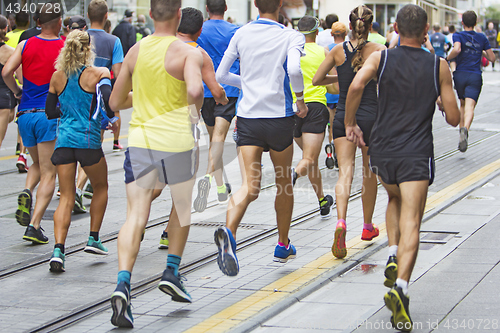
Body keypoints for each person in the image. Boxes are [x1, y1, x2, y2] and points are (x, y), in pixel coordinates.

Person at [344, 5, 460, 331]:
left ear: (395, 27)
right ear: (426, 32)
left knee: (393, 200)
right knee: (413, 219)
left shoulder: (381, 58)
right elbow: (453, 118)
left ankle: (393, 253)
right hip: (415, 153)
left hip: (382, 150)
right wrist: (441, 100)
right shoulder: (437, 66)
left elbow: (354, 87)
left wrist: (350, 123)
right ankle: (401, 289)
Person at [109, 0, 204, 327]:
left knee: (136, 214)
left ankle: (123, 283)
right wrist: (194, 114)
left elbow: (114, 102)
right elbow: (195, 88)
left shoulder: (135, 51)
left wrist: (142, 98)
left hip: (141, 144)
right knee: (181, 207)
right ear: (179, 15)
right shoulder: (187, 52)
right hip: (177, 142)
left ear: (150, 15)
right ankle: (172, 271)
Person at [215, 0, 307, 275]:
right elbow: (293, 70)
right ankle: (282, 244)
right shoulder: (291, 35)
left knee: (249, 186)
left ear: (254, 4)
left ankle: (229, 233)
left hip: (248, 120)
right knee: (283, 183)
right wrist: (300, 101)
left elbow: (221, 74)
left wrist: (248, 84)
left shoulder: (241, 33)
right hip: (278, 119)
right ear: (280, 4)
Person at [313, 5, 384, 259]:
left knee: (345, 172)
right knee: (369, 171)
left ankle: (341, 222)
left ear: (350, 24)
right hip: (371, 117)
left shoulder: (337, 51)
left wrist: (340, 80)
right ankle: (367, 227)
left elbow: (316, 80)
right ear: (371, 25)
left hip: (343, 117)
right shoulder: (379, 51)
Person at [156, 6, 229, 250]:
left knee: (155, 184)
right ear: (199, 31)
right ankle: (168, 232)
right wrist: (222, 98)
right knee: (181, 185)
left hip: (154, 123)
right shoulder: (198, 54)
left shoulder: (158, 46)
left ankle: (138, 222)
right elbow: (215, 89)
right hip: (183, 127)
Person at [46, 30, 117, 272]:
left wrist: (68, 113)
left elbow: (50, 112)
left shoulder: (57, 77)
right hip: (88, 142)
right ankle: (93, 238)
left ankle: (58, 251)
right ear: (89, 50)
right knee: (101, 186)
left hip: (64, 142)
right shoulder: (98, 74)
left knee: (65, 197)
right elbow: (110, 103)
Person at [2, 2, 64, 244]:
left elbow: (7, 71)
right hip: (49, 115)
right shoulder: (63, 46)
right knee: (50, 173)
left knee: (36, 163)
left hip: (25, 114)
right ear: (59, 22)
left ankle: (27, 191)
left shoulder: (26, 44)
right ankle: (35, 224)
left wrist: (18, 91)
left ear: (38, 22)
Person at [74, 0, 125, 206]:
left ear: (87, 15)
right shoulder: (114, 41)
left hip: (75, 97)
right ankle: (77, 189)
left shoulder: (79, 38)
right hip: (98, 99)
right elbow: (119, 74)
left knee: (78, 141)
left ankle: (78, 185)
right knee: (93, 144)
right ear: (106, 17)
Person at [194, 0, 239, 212]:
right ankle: (207, 178)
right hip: (227, 91)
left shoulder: (199, 30)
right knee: (218, 140)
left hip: (205, 91)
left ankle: (221, 187)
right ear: (226, 9)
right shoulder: (235, 30)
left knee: (214, 141)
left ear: (206, 9)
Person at [292, 16, 334, 219]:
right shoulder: (323, 52)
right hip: (315, 108)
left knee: (311, 159)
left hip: (293, 109)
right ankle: (293, 175)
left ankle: (322, 200)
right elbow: (333, 87)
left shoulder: (291, 52)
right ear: (317, 32)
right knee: (308, 159)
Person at [447, 11, 495, 153]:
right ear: (476, 23)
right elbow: (492, 58)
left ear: (462, 23)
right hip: (474, 75)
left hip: (460, 74)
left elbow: (457, 49)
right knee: (470, 106)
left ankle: (461, 134)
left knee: (462, 104)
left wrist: (448, 57)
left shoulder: (458, 35)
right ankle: (465, 129)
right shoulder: (482, 37)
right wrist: (482, 50)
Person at [6, 12, 29, 171]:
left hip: (8, 78)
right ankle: (19, 146)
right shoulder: (28, 37)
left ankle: (19, 146)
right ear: (28, 22)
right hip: (20, 78)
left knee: (14, 114)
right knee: (18, 112)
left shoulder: (7, 35)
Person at [324, 21, 346, 170]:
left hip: (331, 93)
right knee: (344, 124)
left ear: (331, 34)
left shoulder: (327, 50)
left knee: (331, 124)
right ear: (346, 34)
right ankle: (341, 153)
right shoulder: (349, 49)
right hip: (346, 93)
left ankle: (332, 149)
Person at [0, 15, 21, 149]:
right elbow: (21, 76)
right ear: (6, 29)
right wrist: (18, 91)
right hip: (3, 98)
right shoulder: (10, 52)